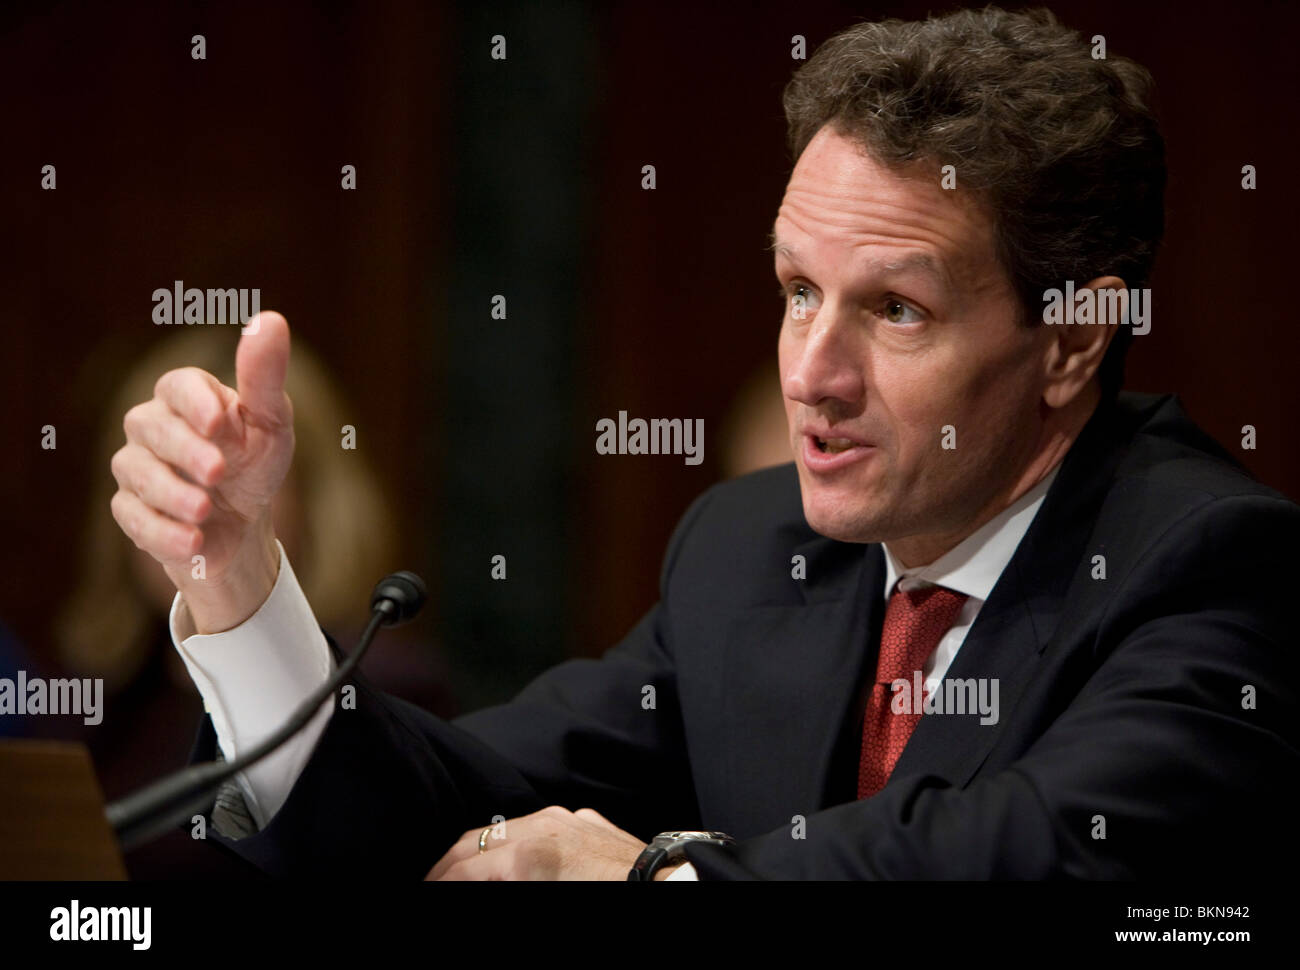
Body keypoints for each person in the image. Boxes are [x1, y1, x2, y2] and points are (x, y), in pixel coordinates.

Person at [109, 7, 1299, 879]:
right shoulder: (754, 549)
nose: (811, 374)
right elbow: (455, 811)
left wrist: (654, 878)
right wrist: (239, 580)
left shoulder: (1213, 567)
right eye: (796, 290)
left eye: (896, 309)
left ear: (1071, 342)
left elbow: (1023, 851)